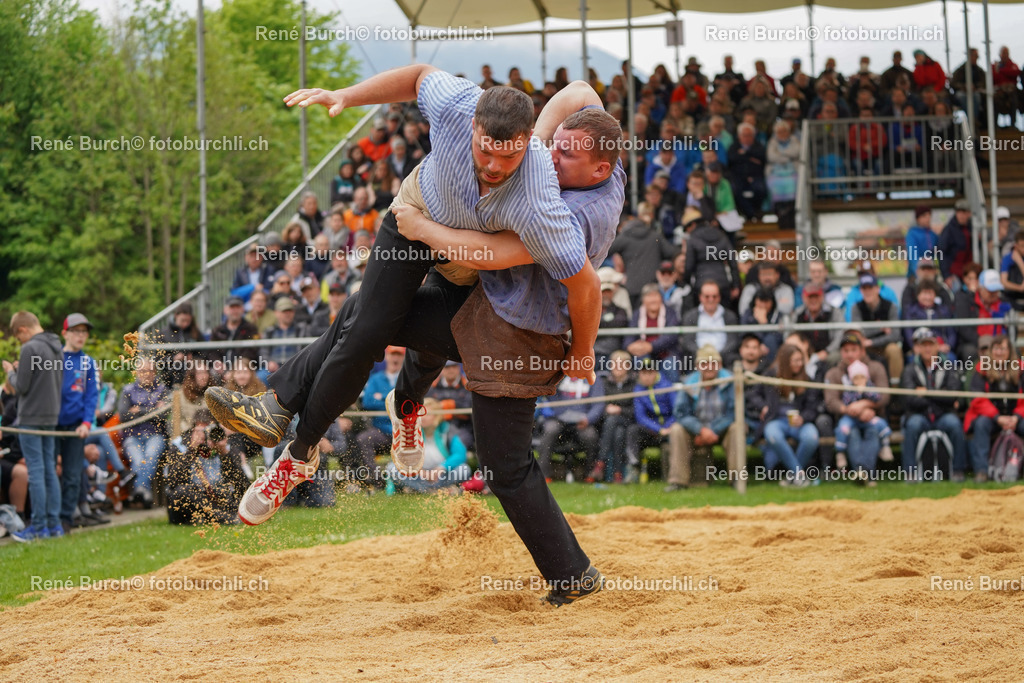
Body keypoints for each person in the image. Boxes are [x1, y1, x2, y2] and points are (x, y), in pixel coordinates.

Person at [211, 74, 623, 604]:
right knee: (367, 315)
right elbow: (580, 91)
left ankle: (573, 576)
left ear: (600, 170)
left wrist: (584, 355)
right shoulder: (586, 162)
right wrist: (535, 139)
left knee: (506, 466)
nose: (554, 155)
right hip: (485, 312)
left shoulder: (566, 209)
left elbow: (514, 262)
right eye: (555, 145)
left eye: (566, 154)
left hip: (517, 339)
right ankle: (297, 421)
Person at [4, 312, 64, 541]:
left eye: (19, 338)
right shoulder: (56, 346)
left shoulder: (30, 348)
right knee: (49, 469)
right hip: (51, 417)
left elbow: (21, 387)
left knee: (36, 472)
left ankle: (39, 527)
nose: (20, 342)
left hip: (31, 418)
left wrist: (11, 372)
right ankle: (54, 525)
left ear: (22, 330)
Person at [52, 313, 100, 534]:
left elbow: (91, 396)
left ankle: (66, 520)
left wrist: (86, 424)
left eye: (84, 332)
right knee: (50, 472)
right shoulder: (52, 359)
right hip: (51, 426)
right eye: (76, 331)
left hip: (75, 428)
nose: (81, 336)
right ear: (65, 333)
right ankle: (48, 518)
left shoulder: (88, 363)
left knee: (72, 474)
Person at [666, 346, 738, 491]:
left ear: (719, 365)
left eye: (713, 363)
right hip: (697, 429)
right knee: (676, 430)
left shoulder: (730, 381)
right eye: (704, 364)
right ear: (698, 366)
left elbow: (734, 413)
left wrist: (712, 431)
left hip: (722, 429)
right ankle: (678, 482)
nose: (709, 367)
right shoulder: (689, 382)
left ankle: (737, 480)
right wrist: (700, 430)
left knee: (737, 428)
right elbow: (680, 413)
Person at [749, 343, 821, 487]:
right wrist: (763, 406)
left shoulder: (806, 379)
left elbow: (813, 407)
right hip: (777, 420)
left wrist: (803, 418)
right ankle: (799, 475)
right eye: (795, 360)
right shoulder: (771, 376)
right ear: (785, 361)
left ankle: (793, 476)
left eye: (801, 360)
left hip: (800, 422)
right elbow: (753, 394)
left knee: (811, 437)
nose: (799, 364)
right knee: (772, 434)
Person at [900, 327, 966, 481]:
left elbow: (952, 395)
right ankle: (910, 472)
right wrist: (938, 393)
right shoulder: (909, 369)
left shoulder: (948, 367)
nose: (927, 348)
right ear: (918, 348)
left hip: (943, 414)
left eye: (931, 344)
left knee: (955, 425)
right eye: (924, 345)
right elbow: (909, 399)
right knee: (912, 426)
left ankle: (958, 470)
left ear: (937, 347)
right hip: (920, 415)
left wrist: (927, 392)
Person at [165, 410, 249, 525]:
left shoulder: (225, 443)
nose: (205, 434)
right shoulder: (180, 445)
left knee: (234, 494)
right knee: (181, 491)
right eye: (202, 431)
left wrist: (224, 453)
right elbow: (173, 482)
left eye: (209, 430)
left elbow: (242, 484)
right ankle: (227, 519)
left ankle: (223, 517)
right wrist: (192, 449)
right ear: (193, 430)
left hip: (216, 495)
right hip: (189, 503)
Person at [824, 333, 890, 480]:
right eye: (846, 351)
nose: (850, 354)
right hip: (847, 420)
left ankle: (865, 473)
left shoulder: (875, 368)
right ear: (841, 353)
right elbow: (831, 401)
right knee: (851, 433)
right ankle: (861, 472)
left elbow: (885, 395)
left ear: (861, 350)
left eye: (853, 350)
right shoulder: (834, 373)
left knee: (872, 431)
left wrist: (865, 404)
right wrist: (853, 410)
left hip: (873, 417)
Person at [964, 334, 1024, 482]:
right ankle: (981, 471)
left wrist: (1016, 417)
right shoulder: (981, 369)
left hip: (1016, 416)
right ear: (991, 351)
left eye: (1003, 349)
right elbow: (977, 399)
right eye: (996, 349)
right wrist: (998, 417)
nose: (999, 352)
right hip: (991, 417)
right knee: (981, 424)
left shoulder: (1020, 369)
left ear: (1010, 351)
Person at [118, 357, 169, 507]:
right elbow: (123, 415)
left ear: (154, 372)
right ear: (137, 372)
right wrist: (152, 410)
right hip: (132, 436)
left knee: (151, 456)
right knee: (139, 459)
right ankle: (144, 492)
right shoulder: (127, 390)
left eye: (149, 371)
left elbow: (163, 415)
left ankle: (139, 491)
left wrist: (138, 410)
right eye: (142, 371)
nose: (145, 374)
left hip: (156, 434)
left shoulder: (162, 389)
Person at [535, 373, 605, 481]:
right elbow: (550, 396)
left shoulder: (594, 378)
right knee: (550, 430)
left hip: (583, 420)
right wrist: (561, 414)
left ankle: (590, 474)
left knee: (590, 436)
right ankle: (543, 475)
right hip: (558, 418)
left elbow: (598, 405)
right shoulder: (559, 375)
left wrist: (588, 419)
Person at [833, 359, 894, 477]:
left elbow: (878, 398)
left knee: (879, 425)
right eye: (856, 378)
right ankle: (841, 454)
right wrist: (858, 404)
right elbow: (847, 403)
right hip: (852, 418)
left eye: (862, 377)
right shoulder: (850, 389)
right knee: (844, 428)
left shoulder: (870, 387)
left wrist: (865, 397)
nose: (859, 380)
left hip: (869, 418)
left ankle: (885, 447)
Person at [628, 358, 675, 483]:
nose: (647, 377)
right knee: (633, 430)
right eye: (643, 373)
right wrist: (659, 429)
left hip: (669, 428)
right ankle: (634, 468)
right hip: (652, 430)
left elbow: (676, 411)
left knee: (675, 435)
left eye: (650, 373)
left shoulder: (667, 386)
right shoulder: (638, 390)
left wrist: (668, 427)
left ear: (656, 373)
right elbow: (640, 417)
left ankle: (672, 477)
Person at [850, 273, 903, 381]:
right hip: (865, 348)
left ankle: (896, 387)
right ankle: (857, 388)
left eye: (870, 287)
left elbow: (896, 335)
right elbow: (857, 334)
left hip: (883, 346)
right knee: (852, 351)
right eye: (864, 288)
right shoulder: (856, 308)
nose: (867, 291)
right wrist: (880, 328)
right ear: (861, 291)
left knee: (894, 350)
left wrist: (872, 341)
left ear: (878, 289)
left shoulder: (890, 306)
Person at [624, 284, 681, 381]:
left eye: (655, 295)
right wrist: (630, 346)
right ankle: (644, 394)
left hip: (666, 353)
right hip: (643, 353)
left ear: (661, 298)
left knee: (670, 367)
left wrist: (651, 346)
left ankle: (672, 394)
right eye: (649, 296)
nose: (652, 300)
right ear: (643, 299)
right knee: (642, 364)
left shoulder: (670, 313)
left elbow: (671, 337)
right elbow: (629, 336)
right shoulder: (637, 314)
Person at [680, 280, 740, 368]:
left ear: (719, 297)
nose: (711, 300)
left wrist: (717, 356)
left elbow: (732, 341)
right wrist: (703, 356)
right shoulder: (690, 316)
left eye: (714, 296)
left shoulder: (730, 316)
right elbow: (688, 341)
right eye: (707, 296)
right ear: (700, 297)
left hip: (724, 360)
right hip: (698, 360)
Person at [597, 350, 635, 484]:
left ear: (628, 367)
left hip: (628, 421)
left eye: (622, 364)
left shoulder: (634, 383)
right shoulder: (604, 382)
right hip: (609, 423)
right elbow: (599, 407)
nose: (618, 368)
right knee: (618, 433)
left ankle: (600, 462)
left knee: (613, 422)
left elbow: (635, 410)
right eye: (615, 364)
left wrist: (620, 410)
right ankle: (618, 473)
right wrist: (608, 410)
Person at [939, 199, 974, 286]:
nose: (961, 215)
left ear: (969, 214)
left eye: (964, 212)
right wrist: (946, 275)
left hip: (968, 272)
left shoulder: (972, 228)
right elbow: (941, 252)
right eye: (959, 212)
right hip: (954, 274)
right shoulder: (949, 230)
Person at [999, 231, 1024, 310]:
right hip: (1011, 299)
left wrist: (1019, 262)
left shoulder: (1018, 259)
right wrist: (1020, 288)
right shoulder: (1007, 258)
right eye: (1022, 246)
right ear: (1016, 246)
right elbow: (1003, 282)